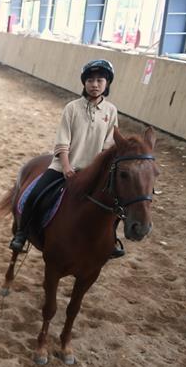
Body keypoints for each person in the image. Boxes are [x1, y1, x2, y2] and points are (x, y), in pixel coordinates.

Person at [10, 59, 123, 258]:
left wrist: (95, 169)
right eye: (90, 80)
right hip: (64, 166)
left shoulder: (111, 111)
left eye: (99, 80)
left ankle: (110, 241)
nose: (94, 84)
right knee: (35, 195)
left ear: (107, 83)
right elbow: (63, 140)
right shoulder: (72, 108)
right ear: (84, 83)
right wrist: (67, 166)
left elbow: (108, 144)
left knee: (115, 204)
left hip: (94, 171)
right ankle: (22, 233)